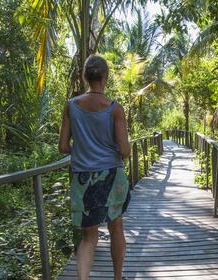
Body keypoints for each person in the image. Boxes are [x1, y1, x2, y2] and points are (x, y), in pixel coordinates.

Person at [58, 54, 131, 280]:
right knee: (115, 228)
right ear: (106, 77)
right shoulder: (114, 109)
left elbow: (62, 146)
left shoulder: (71, 106)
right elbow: (125, 150)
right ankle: (117, 278)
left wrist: (82, 151)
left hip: (82, 178)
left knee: (88, 237)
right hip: (111, 174)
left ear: (85, 77)